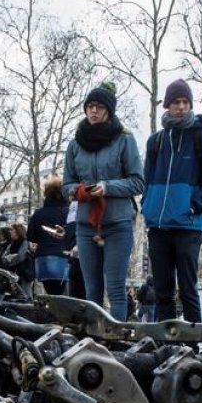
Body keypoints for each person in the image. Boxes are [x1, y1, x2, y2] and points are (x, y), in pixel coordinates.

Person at [141, 78, 202, 322]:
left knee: (188, 290)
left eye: (186, 101)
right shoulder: (155, 141)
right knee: (162, 292)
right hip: (158, 225)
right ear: (167, 105)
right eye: (176, 102)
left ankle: (192, 344)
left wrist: (193, 205)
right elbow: (147, 180)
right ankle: (164, 345)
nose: (182, 106)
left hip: (187, 226)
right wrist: (148, 206)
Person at [62, 82, 145, 321]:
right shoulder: (75, 145)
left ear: (108, 110)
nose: (93, 111)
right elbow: (66, 184)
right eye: (89, 106)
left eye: (99, 106)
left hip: (118, 222)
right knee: (92, 291)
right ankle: (94, 344)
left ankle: (114, 341)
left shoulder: (124, 140)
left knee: (116, 289)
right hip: (86, 225)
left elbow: (138, 182)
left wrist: (107, 187)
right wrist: (80, 191)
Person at [27, 176, 72, 295]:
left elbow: (30, 236)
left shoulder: (38, 213)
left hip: (43, 259)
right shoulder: (68, 212)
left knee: (51, 294)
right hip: (64, 258)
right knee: (67, 296)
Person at [0, 223, 35, 297]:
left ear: (17, 231)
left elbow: (20, 257)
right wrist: (11, 257)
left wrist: (9, 259)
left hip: (24, 274)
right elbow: (3, 258)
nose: (10, 232)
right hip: (12, 274)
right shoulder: (11, 245)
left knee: (26, 295)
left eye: (12, 230)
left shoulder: (25, 242)